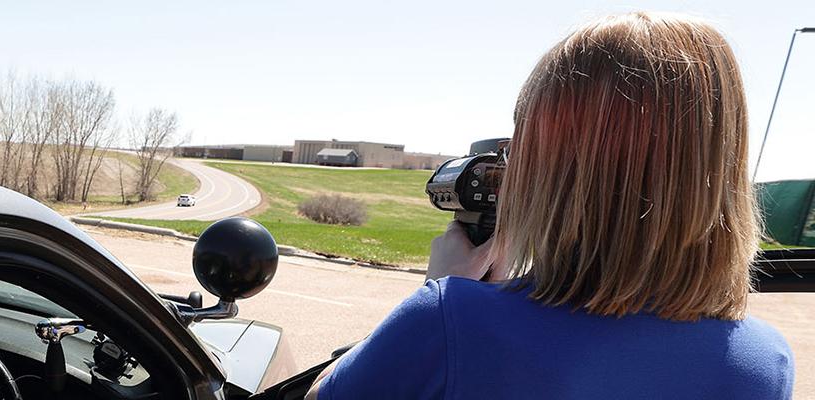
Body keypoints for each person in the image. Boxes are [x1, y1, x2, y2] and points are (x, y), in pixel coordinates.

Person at [307, 12, 794, 399]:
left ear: (554, 170)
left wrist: (443, 288)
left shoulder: (450, 320)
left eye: (520, 147)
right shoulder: (764, 363)